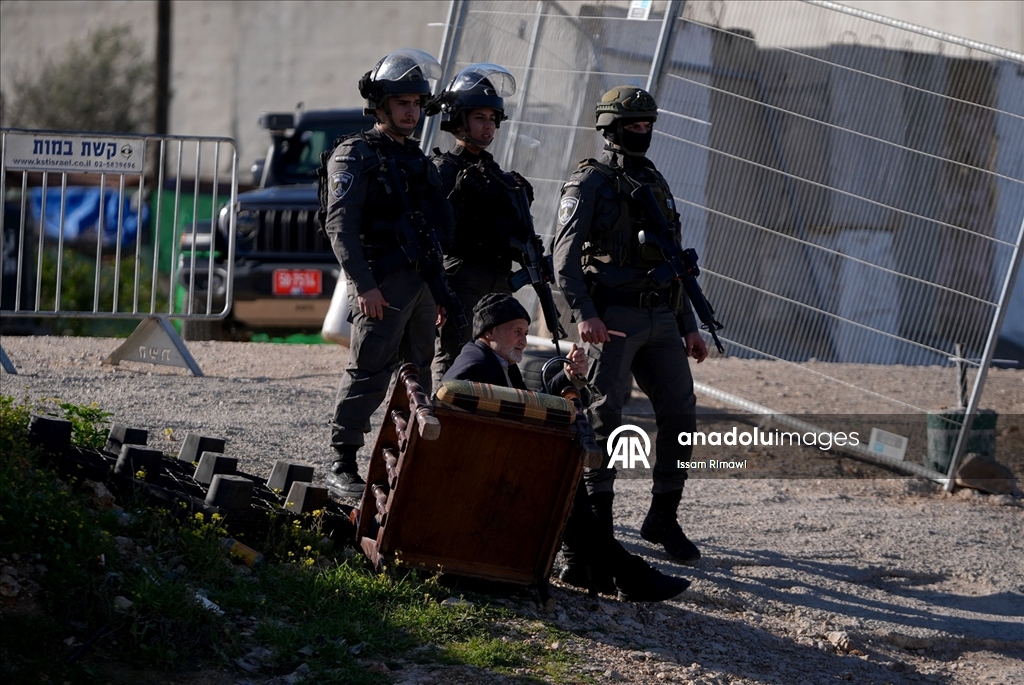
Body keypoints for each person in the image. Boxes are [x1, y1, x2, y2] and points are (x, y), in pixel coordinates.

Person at [442, 293, 691, 602]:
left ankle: (600, 568)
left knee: (568, 484)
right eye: (516, 331)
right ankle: (625, 573)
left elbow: (525, 402)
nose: (523, 340)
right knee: (564, 488)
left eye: (525, 331)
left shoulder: (493, 360)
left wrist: (569, 377)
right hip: (481, 480)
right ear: (489, 332)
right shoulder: (477, 366)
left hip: (493, 465)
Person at [552, 86, 709, 564]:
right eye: (633, 125)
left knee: (681, 414)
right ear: (610, 128)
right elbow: (563, 258)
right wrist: (586, 314)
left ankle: (663, 515)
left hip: (662, 313)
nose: (642, 133)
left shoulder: (654, 180)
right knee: (605, 416)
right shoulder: (590, 182)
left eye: (647, 125)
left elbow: (672, 260)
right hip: (612, 316)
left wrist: (688, 324)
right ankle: (598, 523)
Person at [320, 48, 453, 498]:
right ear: (380, 107)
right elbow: (340, 226)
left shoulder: (416, 158)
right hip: (381, 284)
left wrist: (439, 294)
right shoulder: (355, 154)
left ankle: (408, 465)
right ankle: (342, 462)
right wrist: (365, 286)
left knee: (417, 377)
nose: (411, 112)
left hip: (420, 287)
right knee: (369, 372)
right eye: (402, 103)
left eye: (417, 104)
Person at [427, 63, 538, 389]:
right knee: (455, 356)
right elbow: (437, 233)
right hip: (462, 278)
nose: (487, 127)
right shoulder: (445, 170)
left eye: (492, 119)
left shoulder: (498, 176)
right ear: (459, 120)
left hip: (499, 278)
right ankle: (442, 422)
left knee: (499, 357)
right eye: (479, 118)